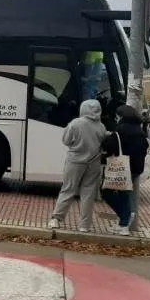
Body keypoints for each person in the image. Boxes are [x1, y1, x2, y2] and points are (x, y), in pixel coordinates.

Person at [48, 99, 108, 232]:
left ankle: (56, 219)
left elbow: (66, 140)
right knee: (88, 193)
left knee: (68, 189)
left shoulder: (75, 123)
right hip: (94, 163)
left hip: (75, 161)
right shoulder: (101, 126)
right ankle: (84, 225)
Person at [100, 104, 150, 236]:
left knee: (106, 192)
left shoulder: (119, 131)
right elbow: (144, 148)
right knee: (124, 193)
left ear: (121, 116)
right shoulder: (140, 132)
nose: (116, 118)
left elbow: (108, 146)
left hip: (122, 167)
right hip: (136, 168)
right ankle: (124, 219)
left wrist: (107, 138)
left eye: (117, 116)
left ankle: (124, 221)